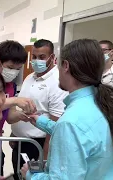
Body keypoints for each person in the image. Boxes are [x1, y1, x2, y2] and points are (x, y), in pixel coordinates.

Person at [20, 39, 113, 180]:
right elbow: (86, 138)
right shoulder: (104, 103)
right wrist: (43, 122)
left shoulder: (71, 122)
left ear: (65, 66)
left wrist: (30, 175)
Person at [8, 39, 67, 180]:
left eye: (42, 57)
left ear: (52, 58)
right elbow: (22, 108)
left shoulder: (57, 82)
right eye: (34, 57)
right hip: (20, 142)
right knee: (19, 175)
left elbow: (54, 126)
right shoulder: (29, 77)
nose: (36, 61)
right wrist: (13, 133)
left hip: (37, 145)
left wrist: (45, 160)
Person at [0, 40, 35, 180]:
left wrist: (22, 115)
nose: (14, 72)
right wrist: (16, 100)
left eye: (18, 69)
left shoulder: (11, 86)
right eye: (11, 67)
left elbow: (9, 116)